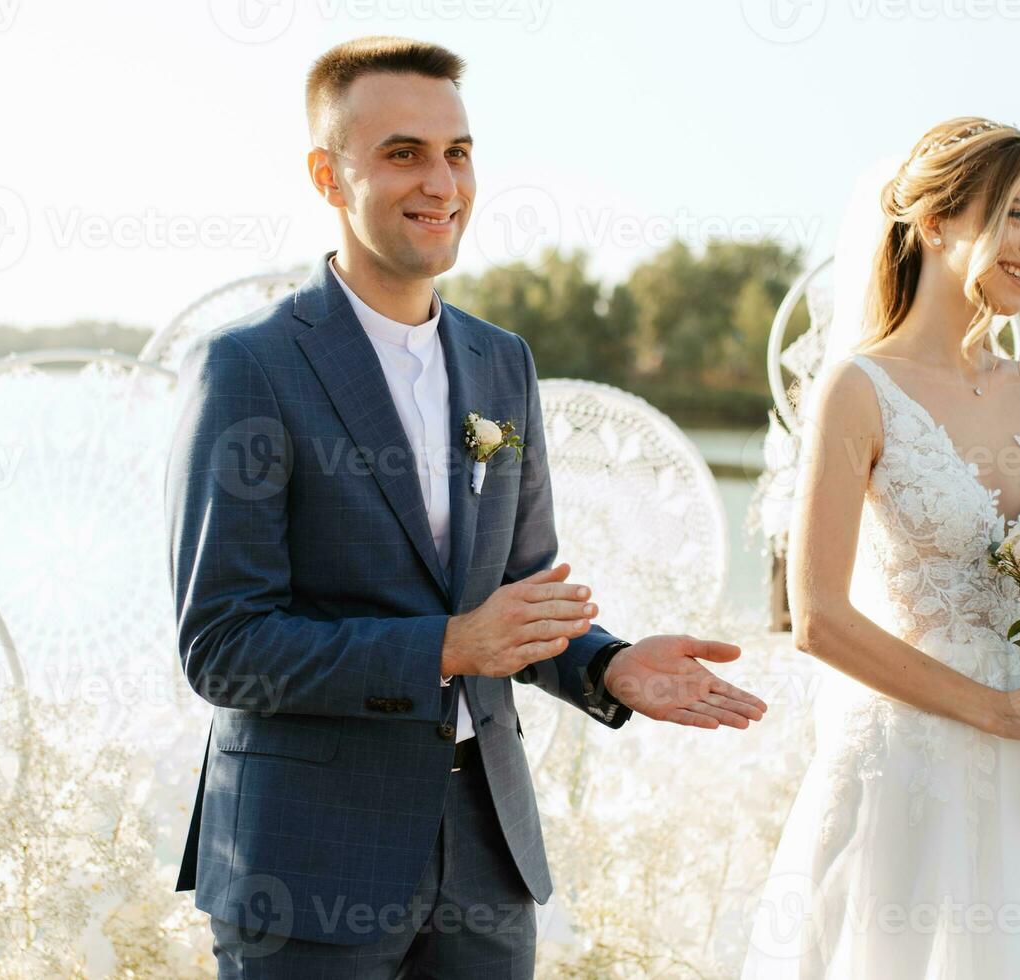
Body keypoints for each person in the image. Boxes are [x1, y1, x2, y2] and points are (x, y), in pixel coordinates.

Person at [164, 36, 767, 979]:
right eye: (403, 152)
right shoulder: (250, 368)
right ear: (328, 173)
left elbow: (518, 600)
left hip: (487, 863)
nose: (441, 180)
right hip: (305, 869)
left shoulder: (501, 362)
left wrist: (609, 665)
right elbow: (224, 646)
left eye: (458, 152)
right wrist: (448, 645)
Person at [741, 118, 1020, 978]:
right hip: (912, 767)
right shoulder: (858, 390)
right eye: (1018, 215)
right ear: (934, 223)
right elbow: (818, 620)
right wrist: (996, 712)